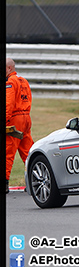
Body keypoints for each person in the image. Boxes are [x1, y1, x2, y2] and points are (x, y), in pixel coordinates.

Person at [6, 58, 34, 193]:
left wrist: (5, 120)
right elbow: (29, 98)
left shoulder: (10, 82)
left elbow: (8, 104)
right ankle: (34, 180)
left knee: (8, 151)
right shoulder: (24, 80)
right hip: (26, 118)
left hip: (15, 120)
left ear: (9, 68)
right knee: (28, 151)